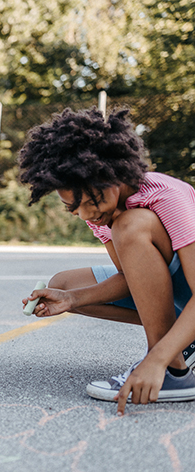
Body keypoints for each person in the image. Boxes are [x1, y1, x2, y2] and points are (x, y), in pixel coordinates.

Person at [18, 107, 195, 415]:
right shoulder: (98, 204)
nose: (86, 214)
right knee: (63, 284)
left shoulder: (165, 197)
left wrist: (155, 360)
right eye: (73, 207)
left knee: (130, 223)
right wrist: (72, 299)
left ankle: (173, 371)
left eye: (92, 202)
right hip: (181, 294)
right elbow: (133, 278)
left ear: (114, 174)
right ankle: (181, 342)